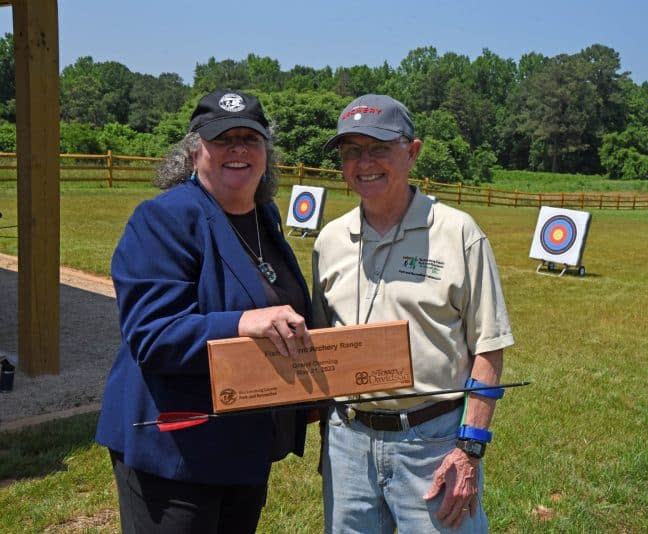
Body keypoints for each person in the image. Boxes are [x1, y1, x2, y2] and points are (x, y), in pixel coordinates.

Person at [95, 89, 313, 533]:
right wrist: (242, 323)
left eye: (250, 139)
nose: (238, 149)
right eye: (222, 138)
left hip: (243, 444)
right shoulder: (164, 218)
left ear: (266, 153)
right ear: (195, 151)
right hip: (175, 451)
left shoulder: (264, 218)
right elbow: (152, 336)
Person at [312, 94, 515, 533]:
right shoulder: (329, 240)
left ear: (413, 151)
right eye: (352, 152)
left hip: (433, 442)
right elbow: (320, 343)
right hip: (348, 443)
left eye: (379, 148)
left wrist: (469, 449)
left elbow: (489, 347)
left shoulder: (459, 233)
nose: (364, 163)